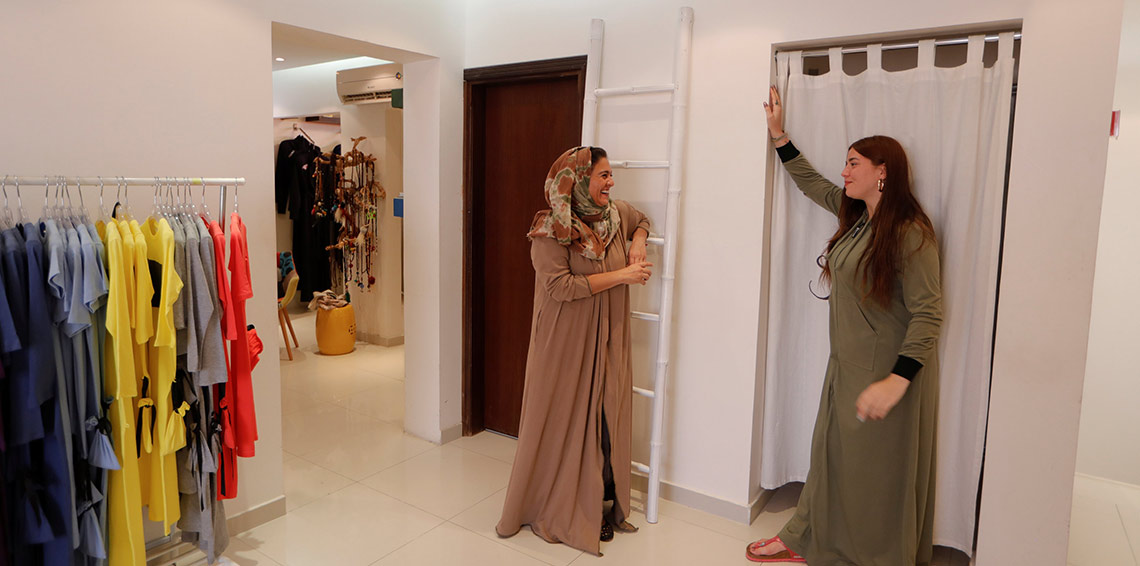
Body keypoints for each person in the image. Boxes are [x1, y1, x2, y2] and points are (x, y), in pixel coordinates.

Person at [747, 86, 943, 565]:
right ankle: (808, 538)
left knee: (875, 476)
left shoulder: (910, 232)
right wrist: (779, 136)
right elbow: (813, 184)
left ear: (883, 171)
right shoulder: (858, 218)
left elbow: (929, 312)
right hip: (847, 365)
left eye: (854, 163)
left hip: (886, 373)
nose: (844, 171)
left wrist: (896, 381)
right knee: (832, 458)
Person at [496, 146, 652, 556]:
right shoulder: (550, 231)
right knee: (567, 419)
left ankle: (601, 499)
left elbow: (642, 220)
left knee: (605, 416)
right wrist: (624, 275)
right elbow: (561, 287)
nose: (611, 182)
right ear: (577, 181)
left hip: (609, 335)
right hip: (565, 342)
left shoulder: (614, 216)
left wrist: (638, 241)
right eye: (603, 175)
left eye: (611, 174)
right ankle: (568, 504)